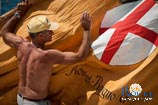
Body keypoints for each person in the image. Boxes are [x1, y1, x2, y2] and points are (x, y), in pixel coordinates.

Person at [0, 0, 91, 105]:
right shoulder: (46, 56)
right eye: (49, 31)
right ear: (40, 35)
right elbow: (80, 56)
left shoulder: (20, 45)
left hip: (20, 98)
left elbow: (4, 32)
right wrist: (86, 29)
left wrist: (18, 13)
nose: (52, 32)